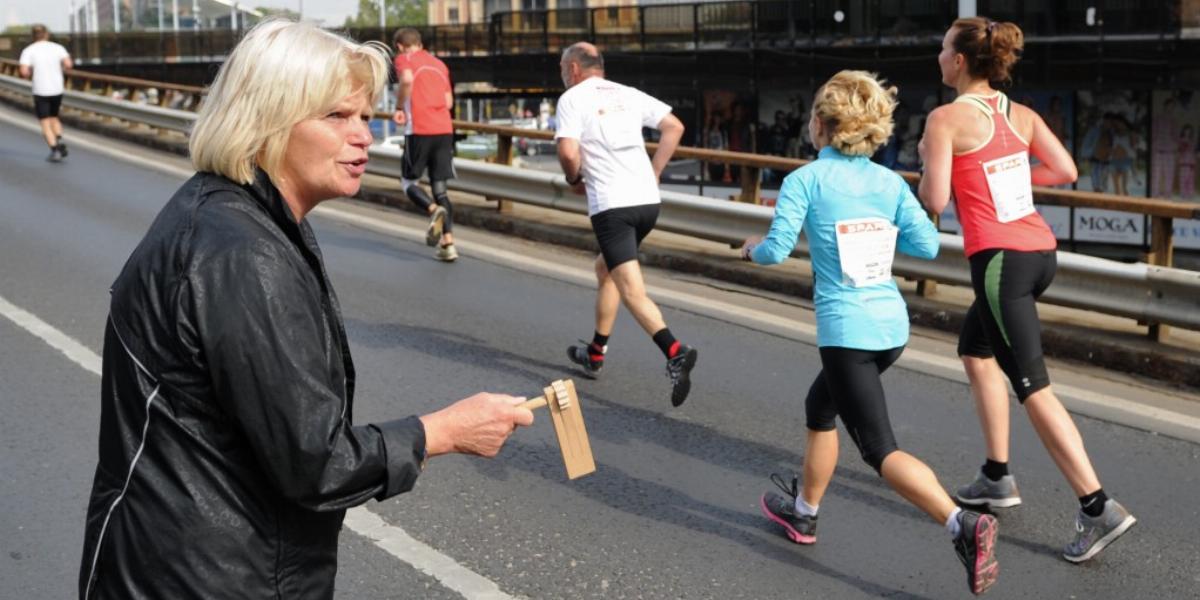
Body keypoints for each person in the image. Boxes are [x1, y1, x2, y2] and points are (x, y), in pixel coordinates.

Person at [78, 21, 534, 599]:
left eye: (365, 116)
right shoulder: (242, 252)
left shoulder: (234, 216)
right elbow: (314, 461)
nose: (363, 136)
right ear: (267, 121)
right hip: (208, 576)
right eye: (337, 117)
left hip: (178, 559)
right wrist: (443, 431)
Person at [742, 71, 999, 596]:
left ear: (820, 124)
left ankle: (961, 524)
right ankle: (805, 513)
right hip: (890, 330)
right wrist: (880, 224)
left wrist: (751, 247)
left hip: (848, 334)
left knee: (880, 450)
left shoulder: (805, 181)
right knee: (820, 408)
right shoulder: (888, 184)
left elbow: (775, 249)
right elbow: (928, 248)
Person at [917, 17, 1136, 564]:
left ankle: (1096, 506)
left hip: (999, 262)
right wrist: (1007, 171)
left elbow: (935, 200)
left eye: (944, 47)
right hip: (1039, 253)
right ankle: (996, 475)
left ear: (961, 60)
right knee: (975, 351)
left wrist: (928, 161)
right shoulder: (1022, 114)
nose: (939, 55)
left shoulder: (944, 120)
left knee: (1033, 386)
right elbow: (1064, 169)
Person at [554, 42, 698, 407]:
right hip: (648, 203)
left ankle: (675, 352)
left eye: (561, 67)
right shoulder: (627, 93)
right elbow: (674, 127)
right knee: (607, 269)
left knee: (631, 289)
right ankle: (596, 351)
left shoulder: (572, 98)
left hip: (612, 206)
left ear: (573, 68)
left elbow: (569, 152)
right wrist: (655, 171)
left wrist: (575, 179)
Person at [392, 27, 459, 262]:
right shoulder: (439, 64)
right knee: (440, 188)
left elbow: (407, 79)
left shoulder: (404, 59)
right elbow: (448, 101)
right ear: (420, 43)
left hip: (419, 129)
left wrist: (400, 108)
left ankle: (432, 210)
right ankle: (448, 244)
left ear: (400, 46)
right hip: (444, 129)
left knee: (408, 181)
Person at [18, 24, 72, 162]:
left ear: (33, 36)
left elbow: (23, 72)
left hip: (41, 90)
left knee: (45, 121)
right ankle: (58, 139)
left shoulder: (28, 50)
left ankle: (55, 149)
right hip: (57, 88)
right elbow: (68, 64)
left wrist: (29, 72)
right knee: (54, 116)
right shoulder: (57, 48)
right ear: (47, 34)